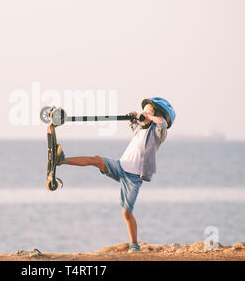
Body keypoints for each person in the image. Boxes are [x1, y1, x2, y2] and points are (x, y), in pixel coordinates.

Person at [50, 97, 174, 253]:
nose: (145, 113)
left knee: (126, 213)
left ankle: (134, 245)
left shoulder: (157, 133)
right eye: (144, 110)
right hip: (120, 166)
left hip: (133, 178)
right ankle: (61, 160)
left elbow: (162, 122)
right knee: (95, 160)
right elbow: (135, 124)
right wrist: (133, 117)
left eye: (149, 111)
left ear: (155, 115)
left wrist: (149, 117)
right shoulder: (139, 130)